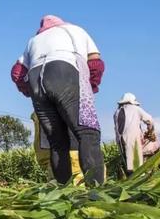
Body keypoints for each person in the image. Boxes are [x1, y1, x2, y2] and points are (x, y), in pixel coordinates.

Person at [10, 15, 105, 185]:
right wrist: (90, 86)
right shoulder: (76, 30)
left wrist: (29, 91)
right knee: (87, 133)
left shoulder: (34, 40)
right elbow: (95, 63)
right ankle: (96, 192)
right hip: (63, 70)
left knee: (57, 142)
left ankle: (64, 191)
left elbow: (17, 72)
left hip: (36, 78)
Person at [113, 93, 155, 176]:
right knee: (137, 163)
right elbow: (149, 120)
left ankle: (131, 180)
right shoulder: (136, 109)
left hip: (120, 140)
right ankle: (140, 180)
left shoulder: (116, 112)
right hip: (133, 138)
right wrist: (150, 131)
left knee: (127, 162)